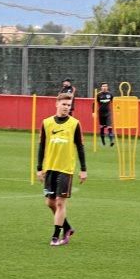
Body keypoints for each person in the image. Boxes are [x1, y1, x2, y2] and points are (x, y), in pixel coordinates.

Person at [37, 93, 87, 246]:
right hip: (50, 168)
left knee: (60, 203)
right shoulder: (46, 123)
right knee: (50, 203)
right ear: (56, 104)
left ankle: (56, 236)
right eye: (64, 104)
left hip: (66, 169)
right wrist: (39, 168)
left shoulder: (75, 124)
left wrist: (83, 169)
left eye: (68, 105)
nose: (66, 107)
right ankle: (67, 228)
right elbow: (41, 146)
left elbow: (80, 147)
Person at [93, 82, 114, 147]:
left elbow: (114, 102)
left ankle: (111, 141)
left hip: (108, 113)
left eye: (105, 86)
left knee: (109, 127)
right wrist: (93, 112)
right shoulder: (98, 94)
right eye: (103, 86)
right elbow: (94, 104)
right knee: (102, 127)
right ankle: (103, 142)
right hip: (101, 113)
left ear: (107, 87)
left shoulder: (110, 94)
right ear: (101, 87)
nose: (104, 87)